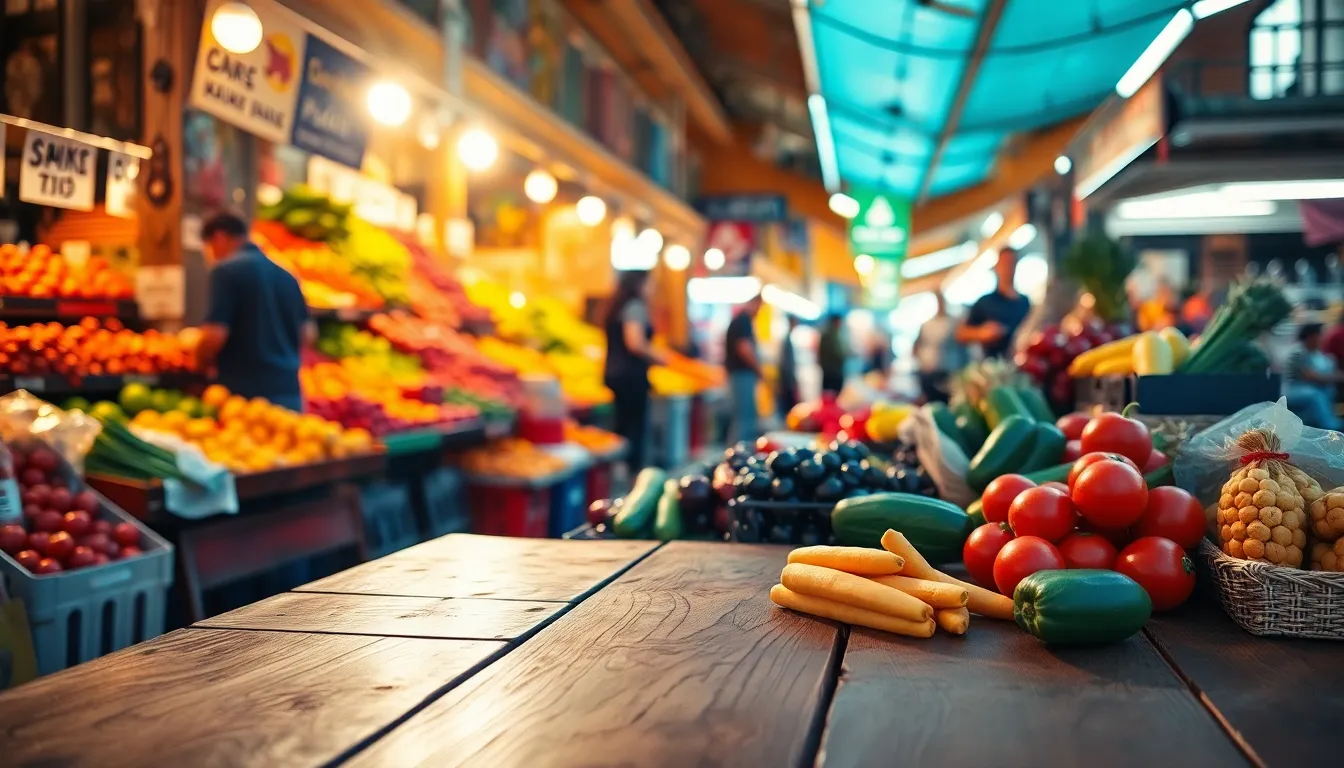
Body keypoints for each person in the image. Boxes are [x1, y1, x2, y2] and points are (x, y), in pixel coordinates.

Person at [195, 212, 312, 412]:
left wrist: (199, 361)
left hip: (247, 396)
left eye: (208, 248)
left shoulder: (225, 270)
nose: (211, 255)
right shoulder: (288, 275)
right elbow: (308, 335)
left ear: (219, 238)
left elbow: (215, 335)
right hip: (290, 391)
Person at [603, 271, 664, 471]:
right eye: (650, 284)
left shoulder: (616, 306)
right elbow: (635, 342)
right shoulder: (635, 307)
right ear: (639, 284)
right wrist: (658, 357)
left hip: (615, 373)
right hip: (631, 376)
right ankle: (632, 473)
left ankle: (619, 470)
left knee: (621, 424)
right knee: (634, 427)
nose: (653, 289)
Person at [957, 246, 1030, 359]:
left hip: (1024, 361)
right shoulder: (985, 302)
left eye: (1011, 263)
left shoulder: (1025, 302)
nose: (1008, 268)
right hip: (995, 365)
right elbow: (961, 334)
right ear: (997, 266)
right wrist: (981, 333)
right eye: (1004, 263)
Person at [1284, 323, 1343, 431]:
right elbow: (1310, 376)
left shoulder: (1322, 356)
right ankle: (1330, 425)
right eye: (1320, 335)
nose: (1322, 339)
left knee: (1329, 391)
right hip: (1294, 388)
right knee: (1315, 395)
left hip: (1315, 388)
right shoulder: (1297, 353)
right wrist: (1334, 377)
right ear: (1311, 337)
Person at [724, 293, 764, 442]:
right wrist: (759, 370)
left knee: (742, 416)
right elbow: (744, 348)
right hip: (742, 375)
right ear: (755, 303)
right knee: (744, 417)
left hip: (739, 375)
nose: (759, 312)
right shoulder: (743, 321)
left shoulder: (740, 320)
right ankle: (738, 454)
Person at [913, 293, 967, 403]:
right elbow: (916, 347)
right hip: (929, 371)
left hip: (949, 372)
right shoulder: (927, 324)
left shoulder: (954, 323)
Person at [776, 315, 800, 418]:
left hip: (787, 378)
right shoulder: (786, 341)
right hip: (786, 379)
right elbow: (785, 364)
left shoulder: (788, 340)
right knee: (787, 407)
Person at [818, 314, 848, 394]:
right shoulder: (833, 335)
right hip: (833, 371)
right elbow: (838, 353)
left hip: (828, 370)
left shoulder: (826, 334)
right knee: (833, 394)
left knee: (828, 393)